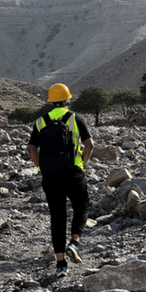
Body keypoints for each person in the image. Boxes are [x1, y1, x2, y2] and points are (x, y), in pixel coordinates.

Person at [27, 83, 94, 275]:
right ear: (68, 100)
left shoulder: (40, 122)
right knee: (81, 206)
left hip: (50, 175)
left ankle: (60, 264)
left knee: (57, 216)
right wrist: (83, 163)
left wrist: (41, 167)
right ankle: (74, 243)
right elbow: (90, 144)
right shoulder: (75, 118)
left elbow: (31, 148)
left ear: (51, 102)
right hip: (73, 172)